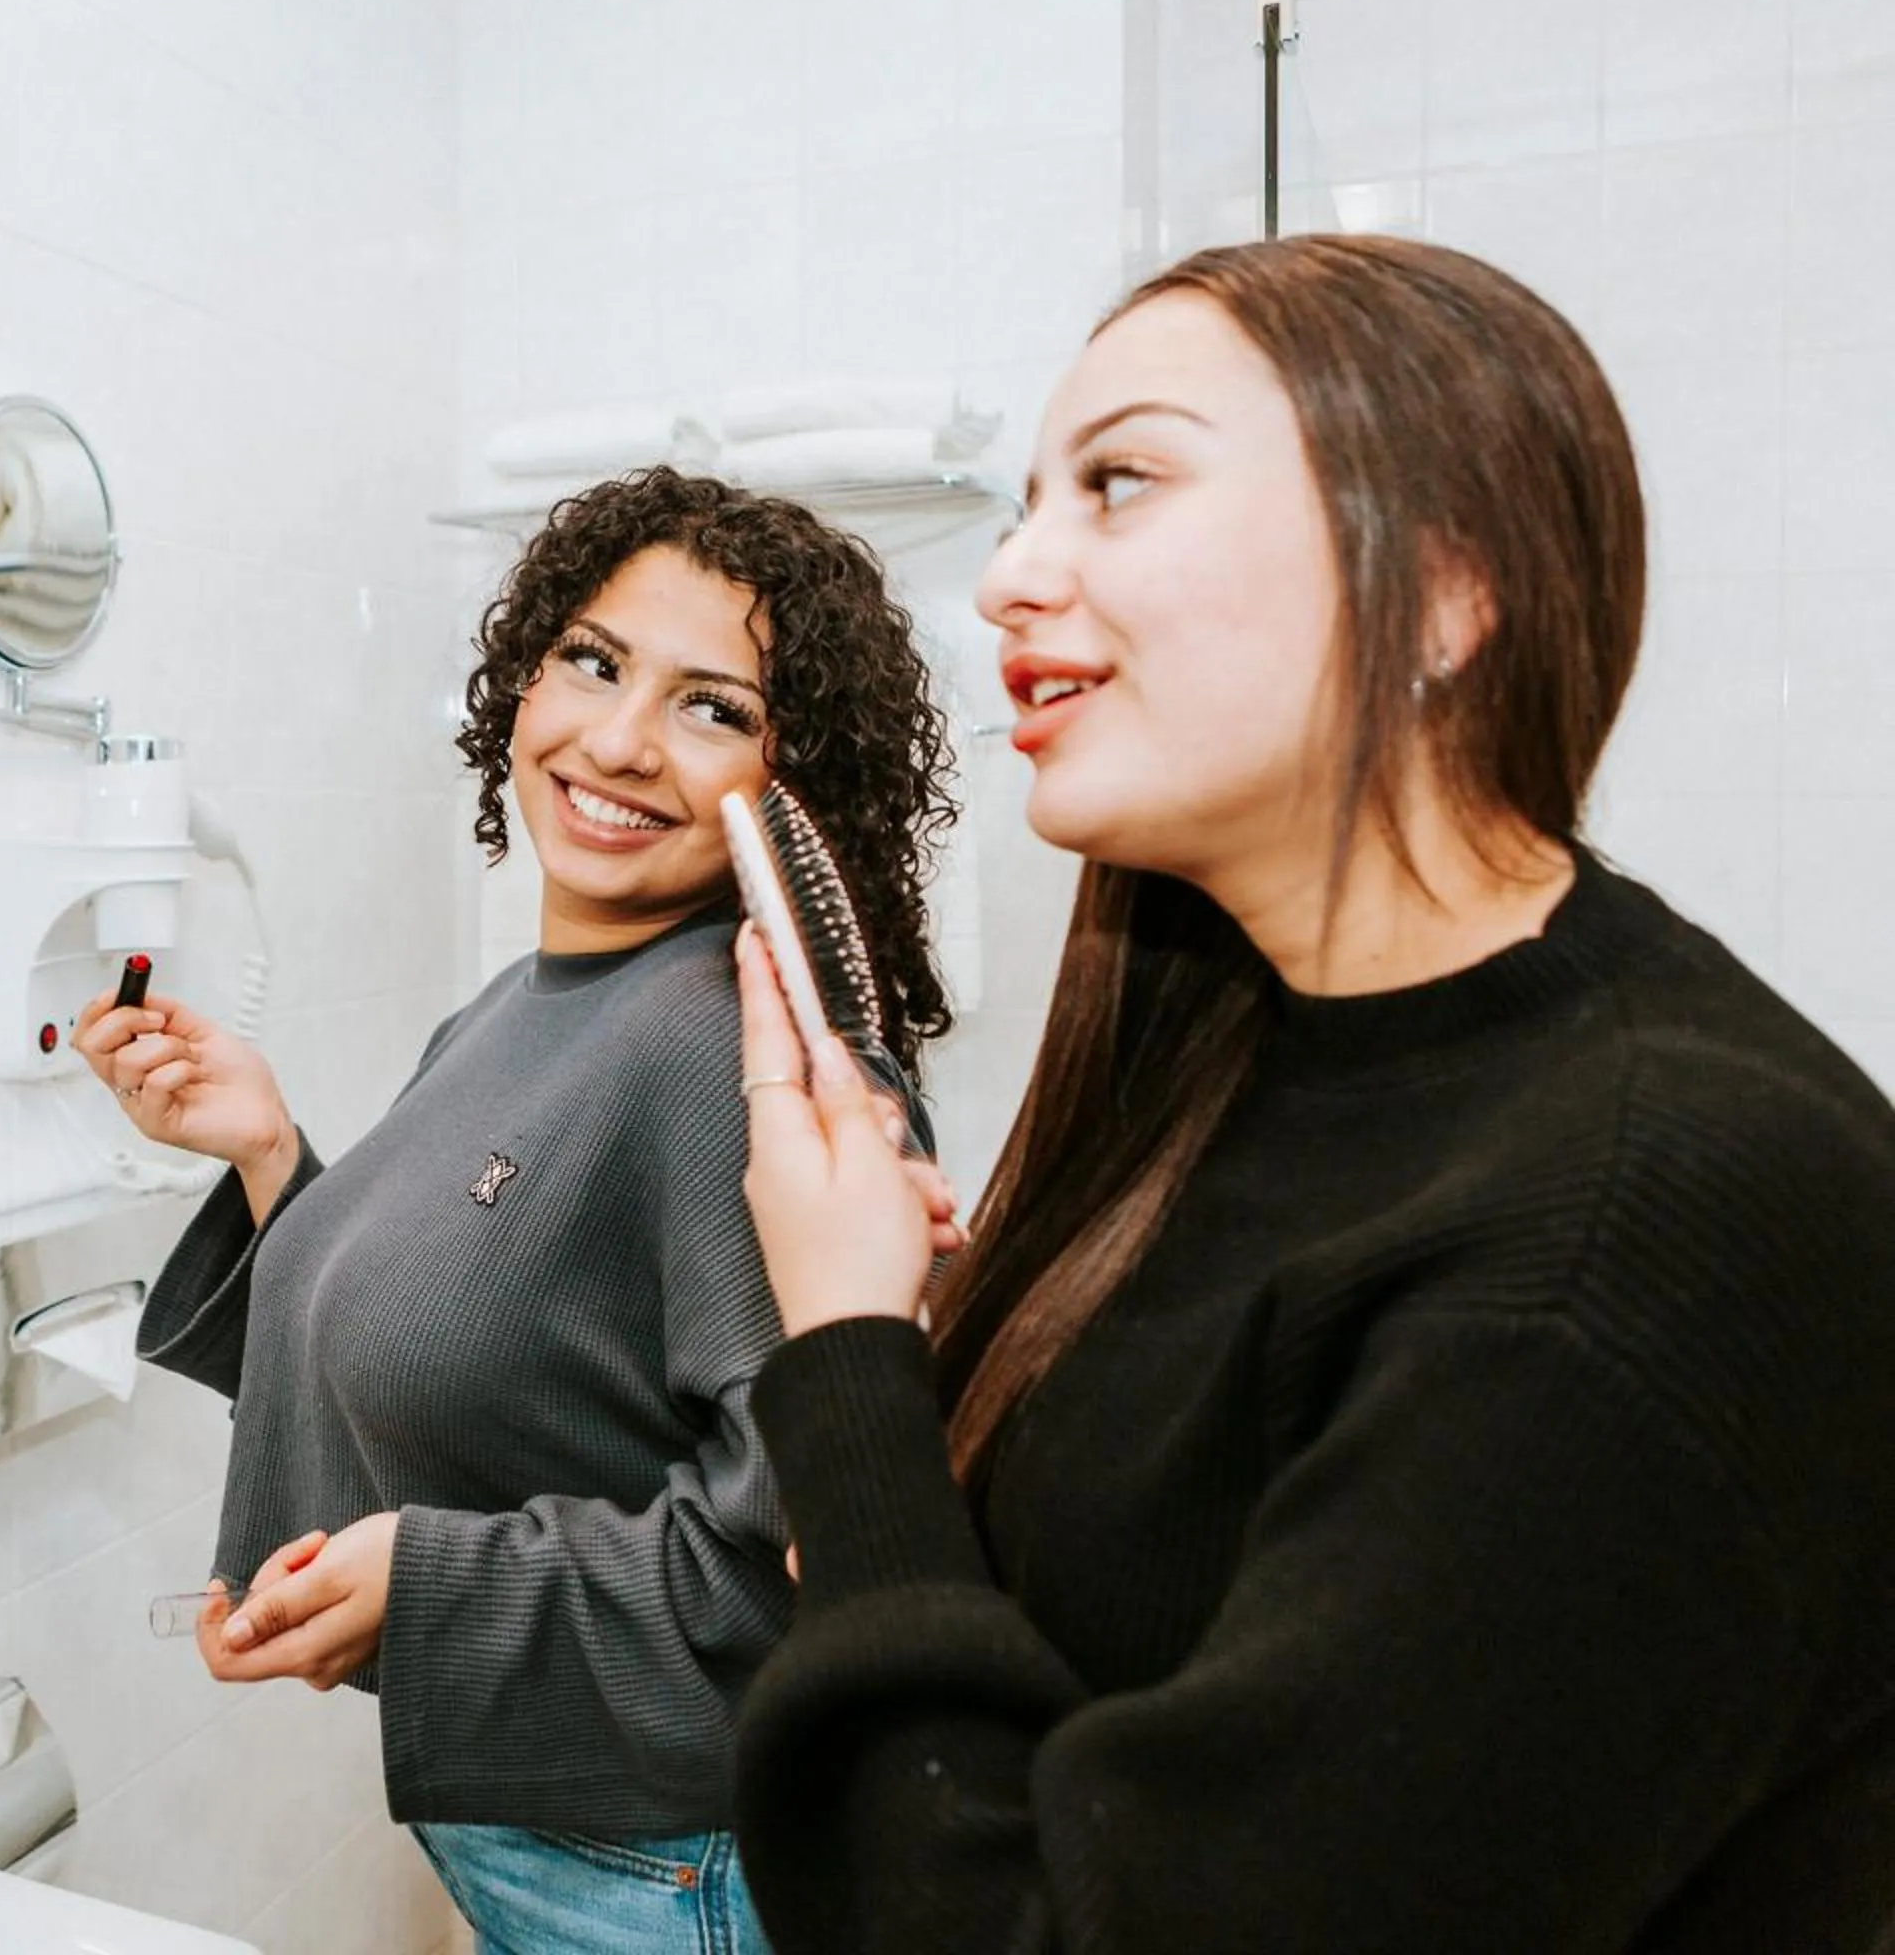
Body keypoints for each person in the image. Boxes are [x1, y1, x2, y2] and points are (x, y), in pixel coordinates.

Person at [727, 234, 1895, 1954]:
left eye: (1120, 482)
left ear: (1444, 591)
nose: (1009, 578)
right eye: (1032, 499)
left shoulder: (1644, 1221)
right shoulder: (1235, 1060)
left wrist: (845, 1361)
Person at [76, 468, 955, 1952]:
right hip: (560, 1857)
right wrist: (272, 1153)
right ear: (524, 673)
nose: (616, 740)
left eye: (712, 707)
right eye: (594, 662)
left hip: (683, 1880)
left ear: (798, 784)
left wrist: (427, 1582)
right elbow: (508, 1350)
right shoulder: (515, 1008)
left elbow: (801, 1568)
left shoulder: (735, 1056)